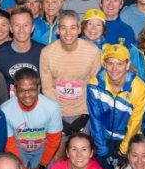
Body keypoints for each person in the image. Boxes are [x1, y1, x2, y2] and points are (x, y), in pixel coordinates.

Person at [39, 10, 101, 138]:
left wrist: (86, 116)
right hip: (56, 113)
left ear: (79, 29)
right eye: (63, 28)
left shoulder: (93, 52)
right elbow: (47, 88)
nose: (68, 33)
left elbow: (95, 87)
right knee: (57, 155)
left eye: (73, 28)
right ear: (57, 30)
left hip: (84, 113)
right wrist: (57, 115)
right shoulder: (46, 53)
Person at [86, 43, 145, 169]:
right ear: (104, 64)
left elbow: (135, 122)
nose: (114, 68)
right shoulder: (94, 83)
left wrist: (123, 151)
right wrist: (102, 148)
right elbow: (95, 118)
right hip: (102, 136)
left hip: (127, 138)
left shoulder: (139, 87)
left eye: (120, 63)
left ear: (128, 65)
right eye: (110, 63)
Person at [1, 68, 62, 169]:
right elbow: (10, 145)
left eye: (32, 90)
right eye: (22, 90)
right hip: (18, 149)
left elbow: (54, 141)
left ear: (38, 88)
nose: (27, 95)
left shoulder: (52, 107)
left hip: (43, 149)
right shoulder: (5, 110)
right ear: (15, 89)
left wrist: (41, 168)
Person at [0, 7, 44, 91]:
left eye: (25, 25)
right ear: (11, 28)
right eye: (17, 25)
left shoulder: (43, 52)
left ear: (32, 27)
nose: (21, 30)